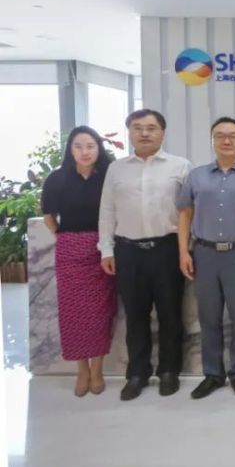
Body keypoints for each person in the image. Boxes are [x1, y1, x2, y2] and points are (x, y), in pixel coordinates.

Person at [98, 109, 192, 401]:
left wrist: (186, 250)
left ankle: (169, 371)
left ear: (163, 133)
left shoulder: (180, 166)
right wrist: (106, 249)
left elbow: (189, 212)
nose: (145, 133)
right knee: (135, 315)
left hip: (167, 249)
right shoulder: (116, 169)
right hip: (128, 251)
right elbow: (107, 210)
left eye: (151, 128)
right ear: (129, 133)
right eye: (138, 128)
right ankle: (137, 373)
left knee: (170, 314)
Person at [176, 117, 235, 399]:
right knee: (208, 317)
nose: (227, 140)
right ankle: (213, 374)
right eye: (220, 135)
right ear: (213, 140)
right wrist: (183, 251)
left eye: (233, 136)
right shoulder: (196, 176)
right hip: (203, 253)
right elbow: (185, 214)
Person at [41, 126, 116, 397]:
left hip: (103, 249)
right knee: (73, 312)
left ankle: (98, 369)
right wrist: (65, 237)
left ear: (98, 148)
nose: (85, 152)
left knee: (100, 311)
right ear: (70, 150)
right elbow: (49, 216)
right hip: (69, 249)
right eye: (78, 146)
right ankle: (81, 369)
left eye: (90, 146)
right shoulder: (57, 179)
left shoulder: (109, 176)